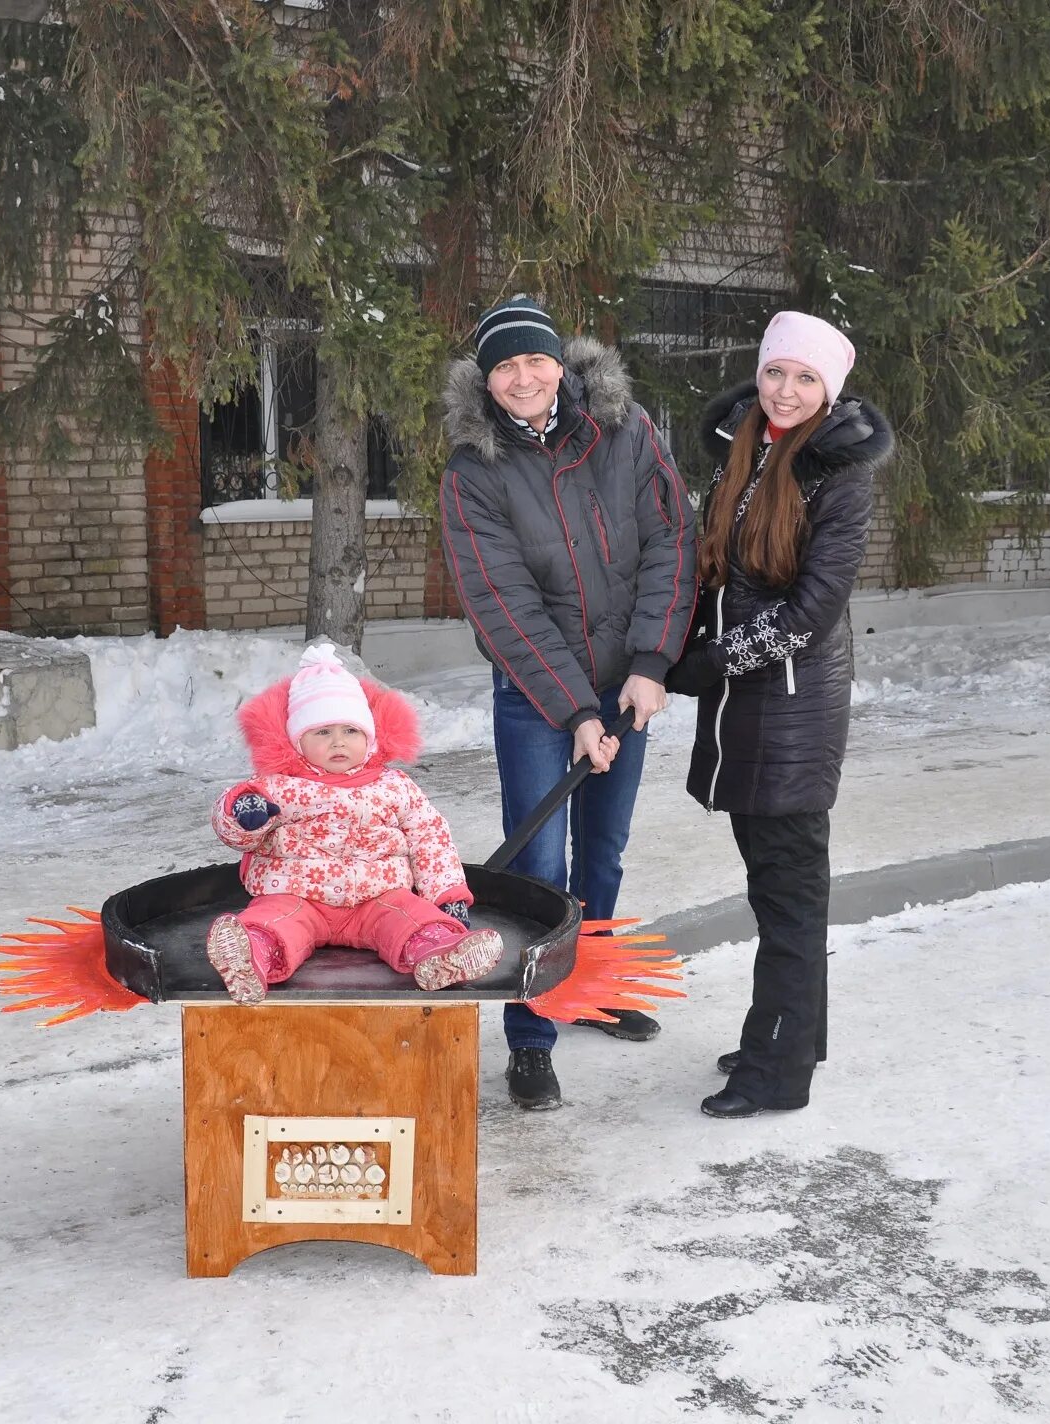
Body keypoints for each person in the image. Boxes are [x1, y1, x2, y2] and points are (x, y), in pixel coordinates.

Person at [439, 294, 698, 1110]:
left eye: (535, 360)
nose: (523, 378)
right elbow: (501, 601)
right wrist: (575, 711)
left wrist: (653, 663)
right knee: (540, 864)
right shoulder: (473, 470)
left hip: (628, 686)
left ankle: (588, 989)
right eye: (505, 365)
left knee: (605, 853)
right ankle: (530, 1036)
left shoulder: (625, 431)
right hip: (536, 695)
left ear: (561, 363)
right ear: (487, 380)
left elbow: (671, 539)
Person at [667, 310, 894, 1119]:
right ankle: (788, 1033)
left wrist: (703, 666)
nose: (787, 391)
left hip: (790, 715)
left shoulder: (840, 475)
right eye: (775, 373)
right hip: (746, 711)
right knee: (775, 892)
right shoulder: (747, 454)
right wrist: (672, 653)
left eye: (806, 378)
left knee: (791, 899)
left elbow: (810, 611)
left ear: (829, 389)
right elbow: (717, 576)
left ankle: (777, 1073)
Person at [205, 644, 503, 1004]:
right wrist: (242, 813)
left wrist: (447, 896)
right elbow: (231, 828)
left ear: (369, 737)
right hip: (297, 895)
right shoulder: (278, 786)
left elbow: (430, 839)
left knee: (411, 918)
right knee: (273, 920)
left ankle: (441, 952)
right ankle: (250, 956)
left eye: (350, 731)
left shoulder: (393, 786)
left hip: (377, 897)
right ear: (297, 741)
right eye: (323, 733)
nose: (338, 742)